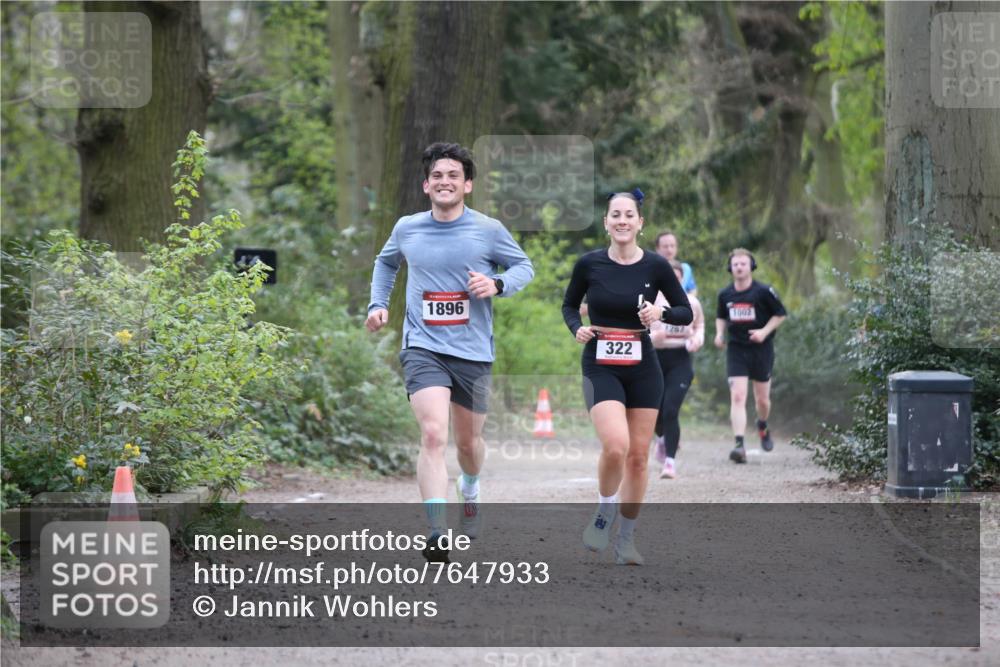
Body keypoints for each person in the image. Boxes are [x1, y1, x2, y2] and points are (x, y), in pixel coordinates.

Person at [366, 142, 534, 561]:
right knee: (432, 434)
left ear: (467, 184)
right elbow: (386, 263)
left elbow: (523, 267)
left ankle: (471, 487)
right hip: (423, 346)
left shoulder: (488, 229)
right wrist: (378, 303)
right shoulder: (407, 228)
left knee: (468, 442)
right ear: (426, 185)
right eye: (437, 175)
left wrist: (496, 285)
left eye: (453, 175)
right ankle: (437, 531)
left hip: (473, 350)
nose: (445, 181)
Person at [562, 189, 692, 565]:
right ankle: (604, 512)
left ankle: (627, 541)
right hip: (600, 362)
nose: (621, 221)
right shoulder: (589, 264)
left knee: (638, 458)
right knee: (616, 445)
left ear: (640, 223)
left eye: (628, 215)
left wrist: (660, 314)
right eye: (615, 215)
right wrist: (577, 328)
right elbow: (570, 305)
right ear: (606, 222)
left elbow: (685, 312)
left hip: (643, 366)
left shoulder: (655, 266)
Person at [713, 248, 786, 464]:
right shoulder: (725, 294)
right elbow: (720, 316)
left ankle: (762, 425)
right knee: (737, 396)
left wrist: (763, 332)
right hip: (736, 349)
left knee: (762, 400)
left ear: (751, 266)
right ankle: (739, 444)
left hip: (761, 350)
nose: (739, 267)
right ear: (730, 268)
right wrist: (719, 334)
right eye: (735, 264)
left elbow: (780, 314)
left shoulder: (764, 291)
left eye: (743, 263)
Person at [650, 259, 705, 479]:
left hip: (680, 361)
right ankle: (661, 439)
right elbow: (638, 333)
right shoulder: (651, 301)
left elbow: (700, 326)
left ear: (683, 279)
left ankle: (670, 463)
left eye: (677, 277)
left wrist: (697, 340)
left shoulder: (692, 302)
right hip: (653, 360)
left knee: (671, 410)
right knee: (655, 412)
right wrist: (654, 337)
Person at [655, 231, 698, 296]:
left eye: (672, 246)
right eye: (665, 246)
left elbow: (693, 290)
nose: (669, 250)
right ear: (657, 249)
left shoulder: (685, 268)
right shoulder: (652, 269)